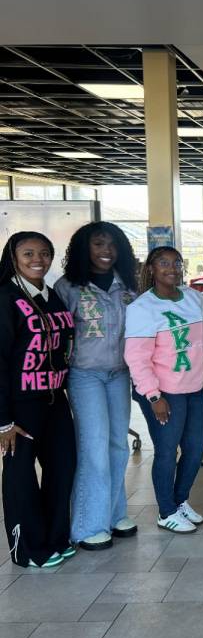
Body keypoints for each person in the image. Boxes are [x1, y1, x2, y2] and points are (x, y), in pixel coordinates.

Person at [54, 222, 138, 551]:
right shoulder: (69, 287)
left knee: (117, 445)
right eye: (98, 244)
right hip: (85, 375)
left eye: (112, 245)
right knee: (93, 449)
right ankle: (88, 524)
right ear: (84, 248)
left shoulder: (127, 286)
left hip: (119, 373)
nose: (106, 251)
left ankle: (115, 513)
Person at [0, 232, 77, 568]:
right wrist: (2, 420)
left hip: (54, 399)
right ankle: (28, 547)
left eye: (44, 253)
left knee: (62, 468)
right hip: (19, 406)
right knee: (21, 477)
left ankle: (56, 537)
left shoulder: (53, 295)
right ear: (13, 257)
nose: (37, 260)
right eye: (28, 253)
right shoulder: (5, 298)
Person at [124, 246, 203, 534]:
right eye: (163, 263)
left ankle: (180, 499)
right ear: (151, 268)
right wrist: (154, 396)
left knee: (196, 449)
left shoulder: (194, 298)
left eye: (176, 263)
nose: (172, 268)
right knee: (166, 451)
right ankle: (166, 511)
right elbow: (136, 358)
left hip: (194, 388)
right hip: (163, 393)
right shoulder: (142, 308)